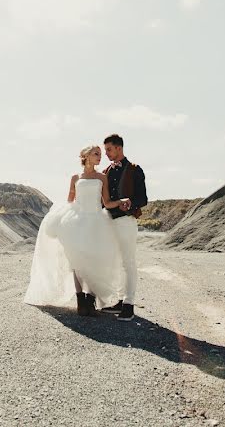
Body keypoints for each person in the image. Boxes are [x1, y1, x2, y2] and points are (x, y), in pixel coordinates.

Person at [23, 145, 131, 316]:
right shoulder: (75, 177)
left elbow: (107, 202)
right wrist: (63, 219)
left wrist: (120, 201)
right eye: (96, 154)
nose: (99, 157)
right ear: (86, 156)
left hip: (97, 221)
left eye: (100, 154)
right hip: (78, 220)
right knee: (77, 261)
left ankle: (91, 300)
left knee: (97, 259)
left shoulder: (102, 177)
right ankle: (81, 301)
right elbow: (70, 201)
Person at [100, 133, 147, 321]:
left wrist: (131, 203)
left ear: (119, 148)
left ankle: (129, 304)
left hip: (126, 221)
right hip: (108, 222)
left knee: (128, 262)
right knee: (116, 263)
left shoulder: (135, 170)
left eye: (109, 150)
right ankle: (120, 300)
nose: (106, 154)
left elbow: (143, 199)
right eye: (105, 151)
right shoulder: (105, 171)